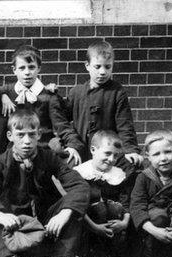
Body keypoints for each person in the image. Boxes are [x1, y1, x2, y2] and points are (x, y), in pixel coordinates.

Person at [0, 110, 90, 257]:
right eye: (20, 135)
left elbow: (80, 186)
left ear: (39, 134)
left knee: (73, 207)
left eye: (32, 135)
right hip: (16, 228)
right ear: (10, 136)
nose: (26, 141)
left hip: (46, 225)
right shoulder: (1, 162)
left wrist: (64, 213)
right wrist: (0, 215)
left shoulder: (49, 157)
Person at [55, 40, 144, 170]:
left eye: (108, 67)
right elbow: (62, 119)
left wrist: (130, 150)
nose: (102, 72)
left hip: (108, 153)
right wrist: (53, 95)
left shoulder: (117, 92)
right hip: (83, 150)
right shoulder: (76, 92)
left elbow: (125, 125)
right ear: (87, 66)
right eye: (97, 67)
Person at [2, 45, 79, 165]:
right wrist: (3, 96)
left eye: (31, 67)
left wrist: (73, 145)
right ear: (14, 70)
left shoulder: (48, 96)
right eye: (22, 68)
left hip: (43, 150)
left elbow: (62, 125)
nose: (27, 72)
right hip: (15, 150)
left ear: (39, 68)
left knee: (70, 161)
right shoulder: (8, 91)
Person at [74, 131, 132, 257]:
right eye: (107, 153)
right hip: (88, 222)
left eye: (116, 155)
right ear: (93, 150)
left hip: (113, 220)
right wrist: (94, 226)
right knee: (99, 208)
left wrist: (125, 222)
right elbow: (77, 205)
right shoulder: (82, 173)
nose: (111, 159)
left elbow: (125, 201)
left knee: (115, 207)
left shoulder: (118, 174)